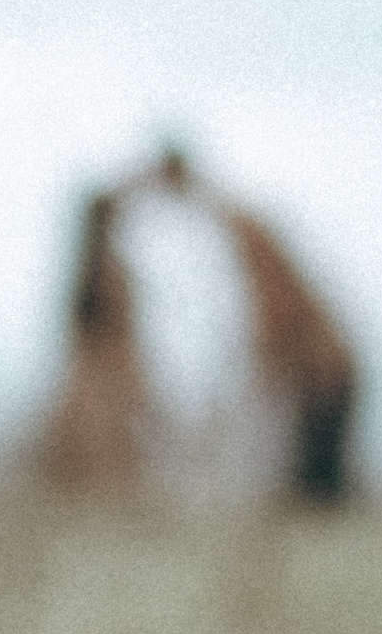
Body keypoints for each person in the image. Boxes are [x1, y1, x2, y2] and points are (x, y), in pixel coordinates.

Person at [153, 150, 360, 507]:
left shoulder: (241, 226)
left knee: (316, 492)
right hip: (317, 371)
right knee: (311, 484)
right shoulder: (235, 220)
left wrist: (260, 372)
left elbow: (274, 309)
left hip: (323, 373)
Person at [32, 183, 153, 492]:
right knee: (103, 462)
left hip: (88, 376)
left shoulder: (90, 265)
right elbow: (118, 329)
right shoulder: (108, 269)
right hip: (103, 377)